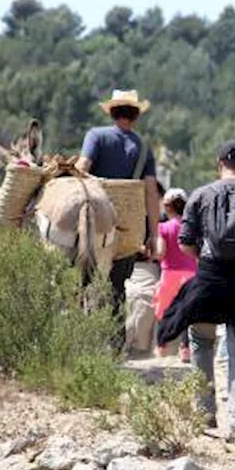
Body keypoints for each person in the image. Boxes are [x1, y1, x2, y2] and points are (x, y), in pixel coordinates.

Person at [155, 141, 235, 447]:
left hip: (210, 278)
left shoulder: (200, 195)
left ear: (220, 164)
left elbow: (186, 243)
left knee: (201, 340)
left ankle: (204, 413)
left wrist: (203, 261)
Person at [75, 90, 163, 347]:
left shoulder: (96, 136)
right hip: (128, 228)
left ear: (112, 112)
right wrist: (153, 233)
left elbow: (82, 169)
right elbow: (151, 192)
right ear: (135, 116)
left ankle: (85, 342)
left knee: (86, 282)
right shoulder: (144, 148)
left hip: (96, 223)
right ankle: (114, 346)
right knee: (117, 288)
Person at [153, 187, 196, 362]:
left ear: (167, 207)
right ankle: (185, 349)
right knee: (186, 312)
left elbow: (161, 252)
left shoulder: (163, 227)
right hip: (191, 274)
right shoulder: (192, 227)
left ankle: (161, 347)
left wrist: (147, 251)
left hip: (170, 274)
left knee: (164, 311)